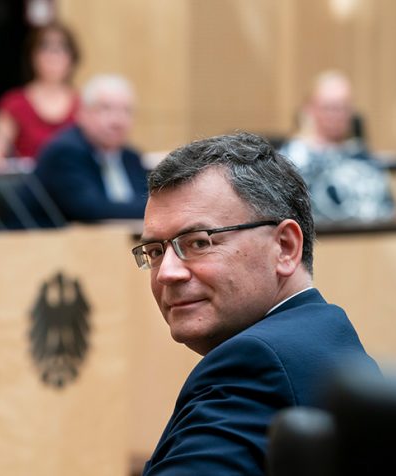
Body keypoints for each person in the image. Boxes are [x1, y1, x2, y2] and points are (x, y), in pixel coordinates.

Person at [133, 132, 379, 474]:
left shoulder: (254, 365)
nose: (166, 274)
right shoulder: (325, 332)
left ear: (285, 247)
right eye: (156, 251)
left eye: (198, 243)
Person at [280, 70, 396, 223]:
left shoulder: (361, 154)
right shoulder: (294, 157)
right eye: (329, 107)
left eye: (344, 107)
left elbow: (388, 205)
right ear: (309, 109)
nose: (337, 114)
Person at [31, 74, 147, 223]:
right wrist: (157, 209)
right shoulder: (65, 152)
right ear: (83, 113)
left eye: (126, 111)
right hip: (41, 243)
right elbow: (91, 210)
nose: (118, 121)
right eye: (106, 109)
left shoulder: (131, 157)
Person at [0, 22, 81, 172]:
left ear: (72, 58)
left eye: (61, 49)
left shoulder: (85, 105)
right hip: (31, 188)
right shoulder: (15, 103)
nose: (53, 56)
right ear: (33, 56)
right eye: (45, 48)